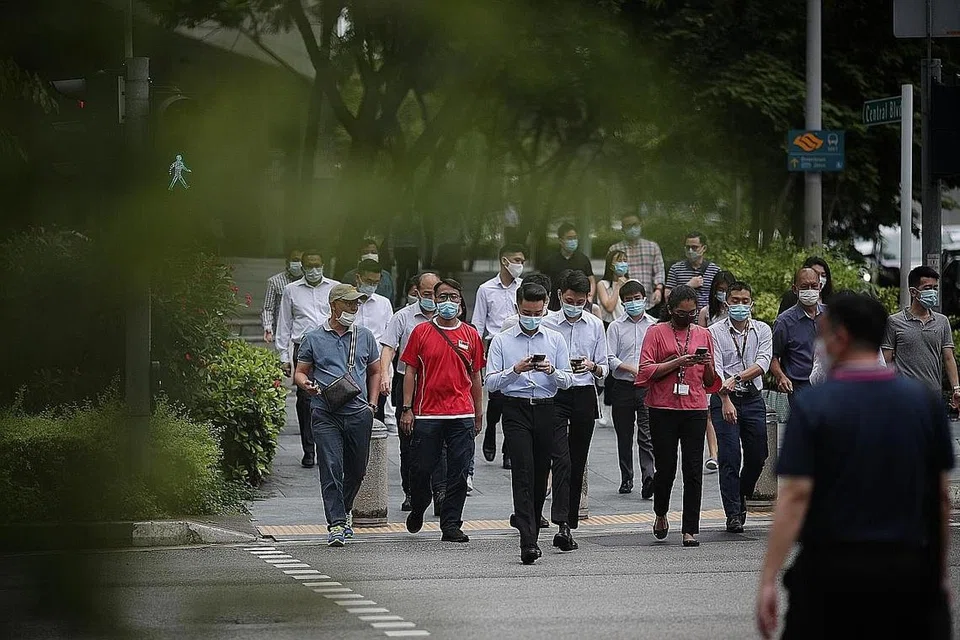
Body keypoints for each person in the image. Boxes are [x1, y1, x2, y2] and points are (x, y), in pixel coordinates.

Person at [756, 293, 954, 640]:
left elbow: (795, 496)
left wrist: (769, 578)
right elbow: (939, 498)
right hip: (906, 570)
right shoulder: (922, 403)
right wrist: (938, 575)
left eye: (823, 334)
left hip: (831, 572)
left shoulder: (814, 405)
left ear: (841, 336)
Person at [485, 283, 575, 564]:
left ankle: (532, 527)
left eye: (537, 312)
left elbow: (568, 380)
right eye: (527, 312)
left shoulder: (555, 339)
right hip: (516, 408)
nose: (532, 317)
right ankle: (528, 541)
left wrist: (552, 371)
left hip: (546, 408)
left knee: (540, 472)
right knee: (522, 471)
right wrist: (515, 370)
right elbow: (491, 382)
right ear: (517, 308)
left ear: (545, 307)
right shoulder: (502, 340)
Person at [293, 284, 381, 547]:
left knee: (357, 470)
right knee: (331, 467)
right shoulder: (313, 337)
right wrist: (306, 385)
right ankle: (337, 523)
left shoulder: (365, 336)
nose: (354, 308)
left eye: (356, 304)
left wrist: (372, 404)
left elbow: (375, 371)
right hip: (325, 412)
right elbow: (300, 372)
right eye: (349, 303)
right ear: (334, 305)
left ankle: (344, 510)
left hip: (359, 413)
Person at [400, 278, 485, 543]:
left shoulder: (471, 334)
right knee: (421, 469)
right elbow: (410, 371)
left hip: (461, 413)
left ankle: (451, 524)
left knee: (459, 472)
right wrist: (407, 408)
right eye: (443, 297)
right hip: (428, 414)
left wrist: (478, 412)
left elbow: (476, 375)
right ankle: (419, 505)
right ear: (434, 300)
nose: (448, 302)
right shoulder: (421, 332)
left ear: (460, 302)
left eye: (453, 297)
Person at [636, 285, 720, 547]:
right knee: (666, 468)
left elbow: (710, 381)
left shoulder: (703, 334)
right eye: (682, 313)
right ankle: (661, 512)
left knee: (693, 469)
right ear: (671, 310)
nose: (688, 317)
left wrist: (706, 365)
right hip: (663, 408)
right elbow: (645, 370)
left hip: (695, 407)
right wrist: (677, 362)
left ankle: (690, 529)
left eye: (692, 313)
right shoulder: (656, 332)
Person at [542, 269, 608, 551]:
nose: (574, 305)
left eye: (580, 301)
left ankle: (567, 524)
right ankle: (558, 519)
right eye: (570, 300)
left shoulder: (595, 324)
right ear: (560, 296)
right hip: (555, 391)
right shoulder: (547, 323)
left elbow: (604, 367)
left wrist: (592, 366)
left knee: (578, 460)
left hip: (583, 392)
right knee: (560, 458)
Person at [708, 281, 773, 534]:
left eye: (745, 301)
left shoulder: (762, 330)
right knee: (729, 457)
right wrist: (725, 398)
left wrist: (736, 379)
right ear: (727, 303)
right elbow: (715, 369)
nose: (740, 306)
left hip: (752, 398)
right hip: (724, 398)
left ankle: (741, 494)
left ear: (751, 303)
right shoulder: (714, 332)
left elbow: (763, 363)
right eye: (735, 301)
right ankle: (733, 513)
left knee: (758, 455)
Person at [380, 271, 445, 512]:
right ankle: (411, 491)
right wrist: (384, 374)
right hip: (407, 382)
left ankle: (440, 492)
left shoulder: (447, 317)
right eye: (427, 293)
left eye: (436, 293)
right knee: (408, 440)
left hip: (438, 384)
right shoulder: (403, 317)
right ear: (416, 292)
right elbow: (389, 347)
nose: (432, 298)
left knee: (441, 440)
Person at [275, 249, 341, 468]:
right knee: (305, 398)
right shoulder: (291, 290)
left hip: (330, 346)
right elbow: (284, 323)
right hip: (303, 348)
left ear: (323, 266)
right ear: (302, 268)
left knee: (332, 395)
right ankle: (309, 449)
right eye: (309, 266)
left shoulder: (334, 288)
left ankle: (327, 447)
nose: (314, 270)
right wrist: (283, 356)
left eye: (317, 265)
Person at [474, 244, 526, 469]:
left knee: (513, 397)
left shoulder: (523, 287)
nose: (520, 265)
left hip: (519, 344)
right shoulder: (486, 289)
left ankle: (508, 449)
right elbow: (478, 323)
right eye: (517, 260)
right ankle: (491, 428)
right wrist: (477, 355)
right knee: (496, 397)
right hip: (495, 344)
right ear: (504, 261)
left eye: (522, 261)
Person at [605, 279, 657, 497]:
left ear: (644, 299)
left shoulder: (654, 325)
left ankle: (649, 477)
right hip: (623, 386)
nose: (633, 303)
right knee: (624, 435)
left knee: (646, 434)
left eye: (637, 299)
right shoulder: (616, 327)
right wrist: (630, 368)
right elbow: (609, 357)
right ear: (623, 302)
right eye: (629, 300)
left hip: (647, 387)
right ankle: (626, 477)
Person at [882, 266, 960, 405]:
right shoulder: (894, 322)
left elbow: (948, 358)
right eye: (927, 288)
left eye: (935, 288)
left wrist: (956, 388)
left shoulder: (942, 322)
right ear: (913, 292)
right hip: (904, 396)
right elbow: (886, 361)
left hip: (933, 396)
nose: (933, 292)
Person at [698, 269, 736, 474]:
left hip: (734, 367)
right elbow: (700, 340)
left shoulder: (737, 311)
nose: (722, 293)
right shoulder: (706, 313)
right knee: (710, 413)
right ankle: (713, 454)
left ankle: (729, 450)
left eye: (726, 290)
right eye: (719, 290)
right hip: (712, 367)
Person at [770, 267, 823, 407]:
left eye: (814, 286)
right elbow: (772, 356)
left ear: (820, 287)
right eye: (805, 287)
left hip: (828, 385)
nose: (810, 290)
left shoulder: (831, 315)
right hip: (800, 388)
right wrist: (781, 376)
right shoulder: (784, 321)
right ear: (795, 289)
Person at [353, 259, 394, 421]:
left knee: (377, 411)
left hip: (378, 364)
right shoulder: (347, 303)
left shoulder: (384, 304)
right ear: (358, 278)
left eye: (375, 283)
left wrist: (385, 370)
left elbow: (390, 340)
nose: (371, 286)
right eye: (368, 281)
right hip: (353, 365)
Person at [608, 213, 665, 314]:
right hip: (624, 304)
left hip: (648, 302)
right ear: (623, 229)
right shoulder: (615, 249)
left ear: (640, 225)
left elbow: (659, 271)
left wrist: (658, 289)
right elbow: (610, 275)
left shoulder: (652, 247)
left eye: (635, 224)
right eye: (628, 226)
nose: (632, 229)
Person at [540, 223, 596, 310]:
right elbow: (543, 282)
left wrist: (590, 297)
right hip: (554, 304)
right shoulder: (550, 261)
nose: (573, 241)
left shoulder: (583, 259)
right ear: (560, 240)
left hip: (578, 304)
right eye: (569, 238)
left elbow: (591, 280)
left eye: (575, 238)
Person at [664, 231, 721, 310]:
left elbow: (720, 297)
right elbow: (667, 298)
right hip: (682, 315)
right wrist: (688, 286)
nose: (690, 251)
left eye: (694, 247)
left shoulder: (715, 270)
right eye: (688, 247)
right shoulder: (675, 269)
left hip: (707, 315)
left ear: (704, 248)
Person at [261, 248, 302, 344]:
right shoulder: (275, 281)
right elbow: (268, 308)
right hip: (283, 331)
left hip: (303, 329)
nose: (299, 263)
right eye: (295, 260)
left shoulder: (309, 283)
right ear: (288, 261)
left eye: (301, 260)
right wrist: (268, 328)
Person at [342, 239, 395, 304]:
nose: (370, 255)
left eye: (373, 252)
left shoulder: (387, 277)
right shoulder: (349, 277)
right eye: (365, 253)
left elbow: (391, 300)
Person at [596, 249, 629, 327]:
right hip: (609, 325)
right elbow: (609, 307)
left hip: (627, 324)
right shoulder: (602, 284)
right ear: (611, 265)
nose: (623, 264)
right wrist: (618, 286)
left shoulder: (632, 282)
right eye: (619, 261)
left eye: (625, 261)